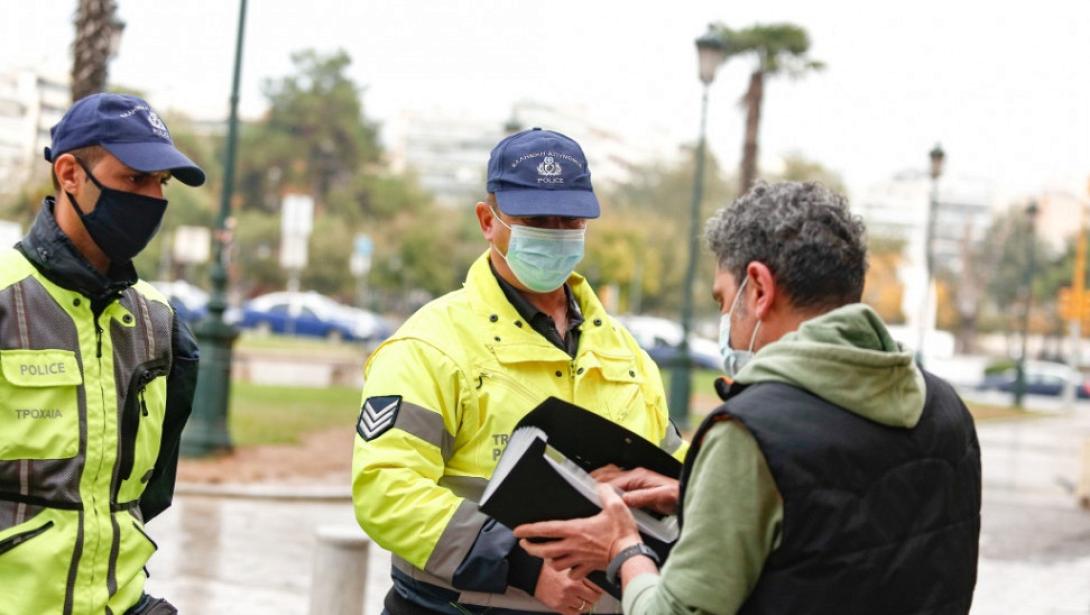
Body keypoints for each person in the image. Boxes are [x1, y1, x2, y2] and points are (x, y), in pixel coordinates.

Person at [515, 181, 982, 614]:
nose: (727, 326)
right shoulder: (946, 410)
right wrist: (702, 500)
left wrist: (623, 549)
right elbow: (852, 530)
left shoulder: (751, 434)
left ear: (758, 289)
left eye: (722, 301)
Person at [352, 127, 686, 615]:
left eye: (569, 220)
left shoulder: (626, 353)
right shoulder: (428, 345)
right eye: (535, 219)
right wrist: (523, 567)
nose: (554, 233)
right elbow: (387, 490)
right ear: (488, 220)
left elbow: (674, 475)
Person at [0, 93, 205, 615]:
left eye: (161, 185)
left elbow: (148, 496)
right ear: (69, 173)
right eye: (134, 180)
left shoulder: (163, 327)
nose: (152, 199)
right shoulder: (6, 303)